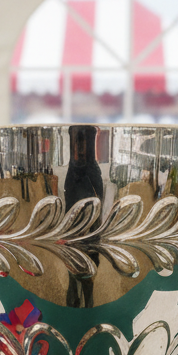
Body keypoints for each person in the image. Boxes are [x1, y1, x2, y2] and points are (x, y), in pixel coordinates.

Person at [64, 125, 103, 308]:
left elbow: (98, 207)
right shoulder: (74, 172)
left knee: (85, 270)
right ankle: (80, 297)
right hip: (77, 234)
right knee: (74, 269)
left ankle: (85, 298)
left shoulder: (92, 171)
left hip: (89, 234)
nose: (80, 146)